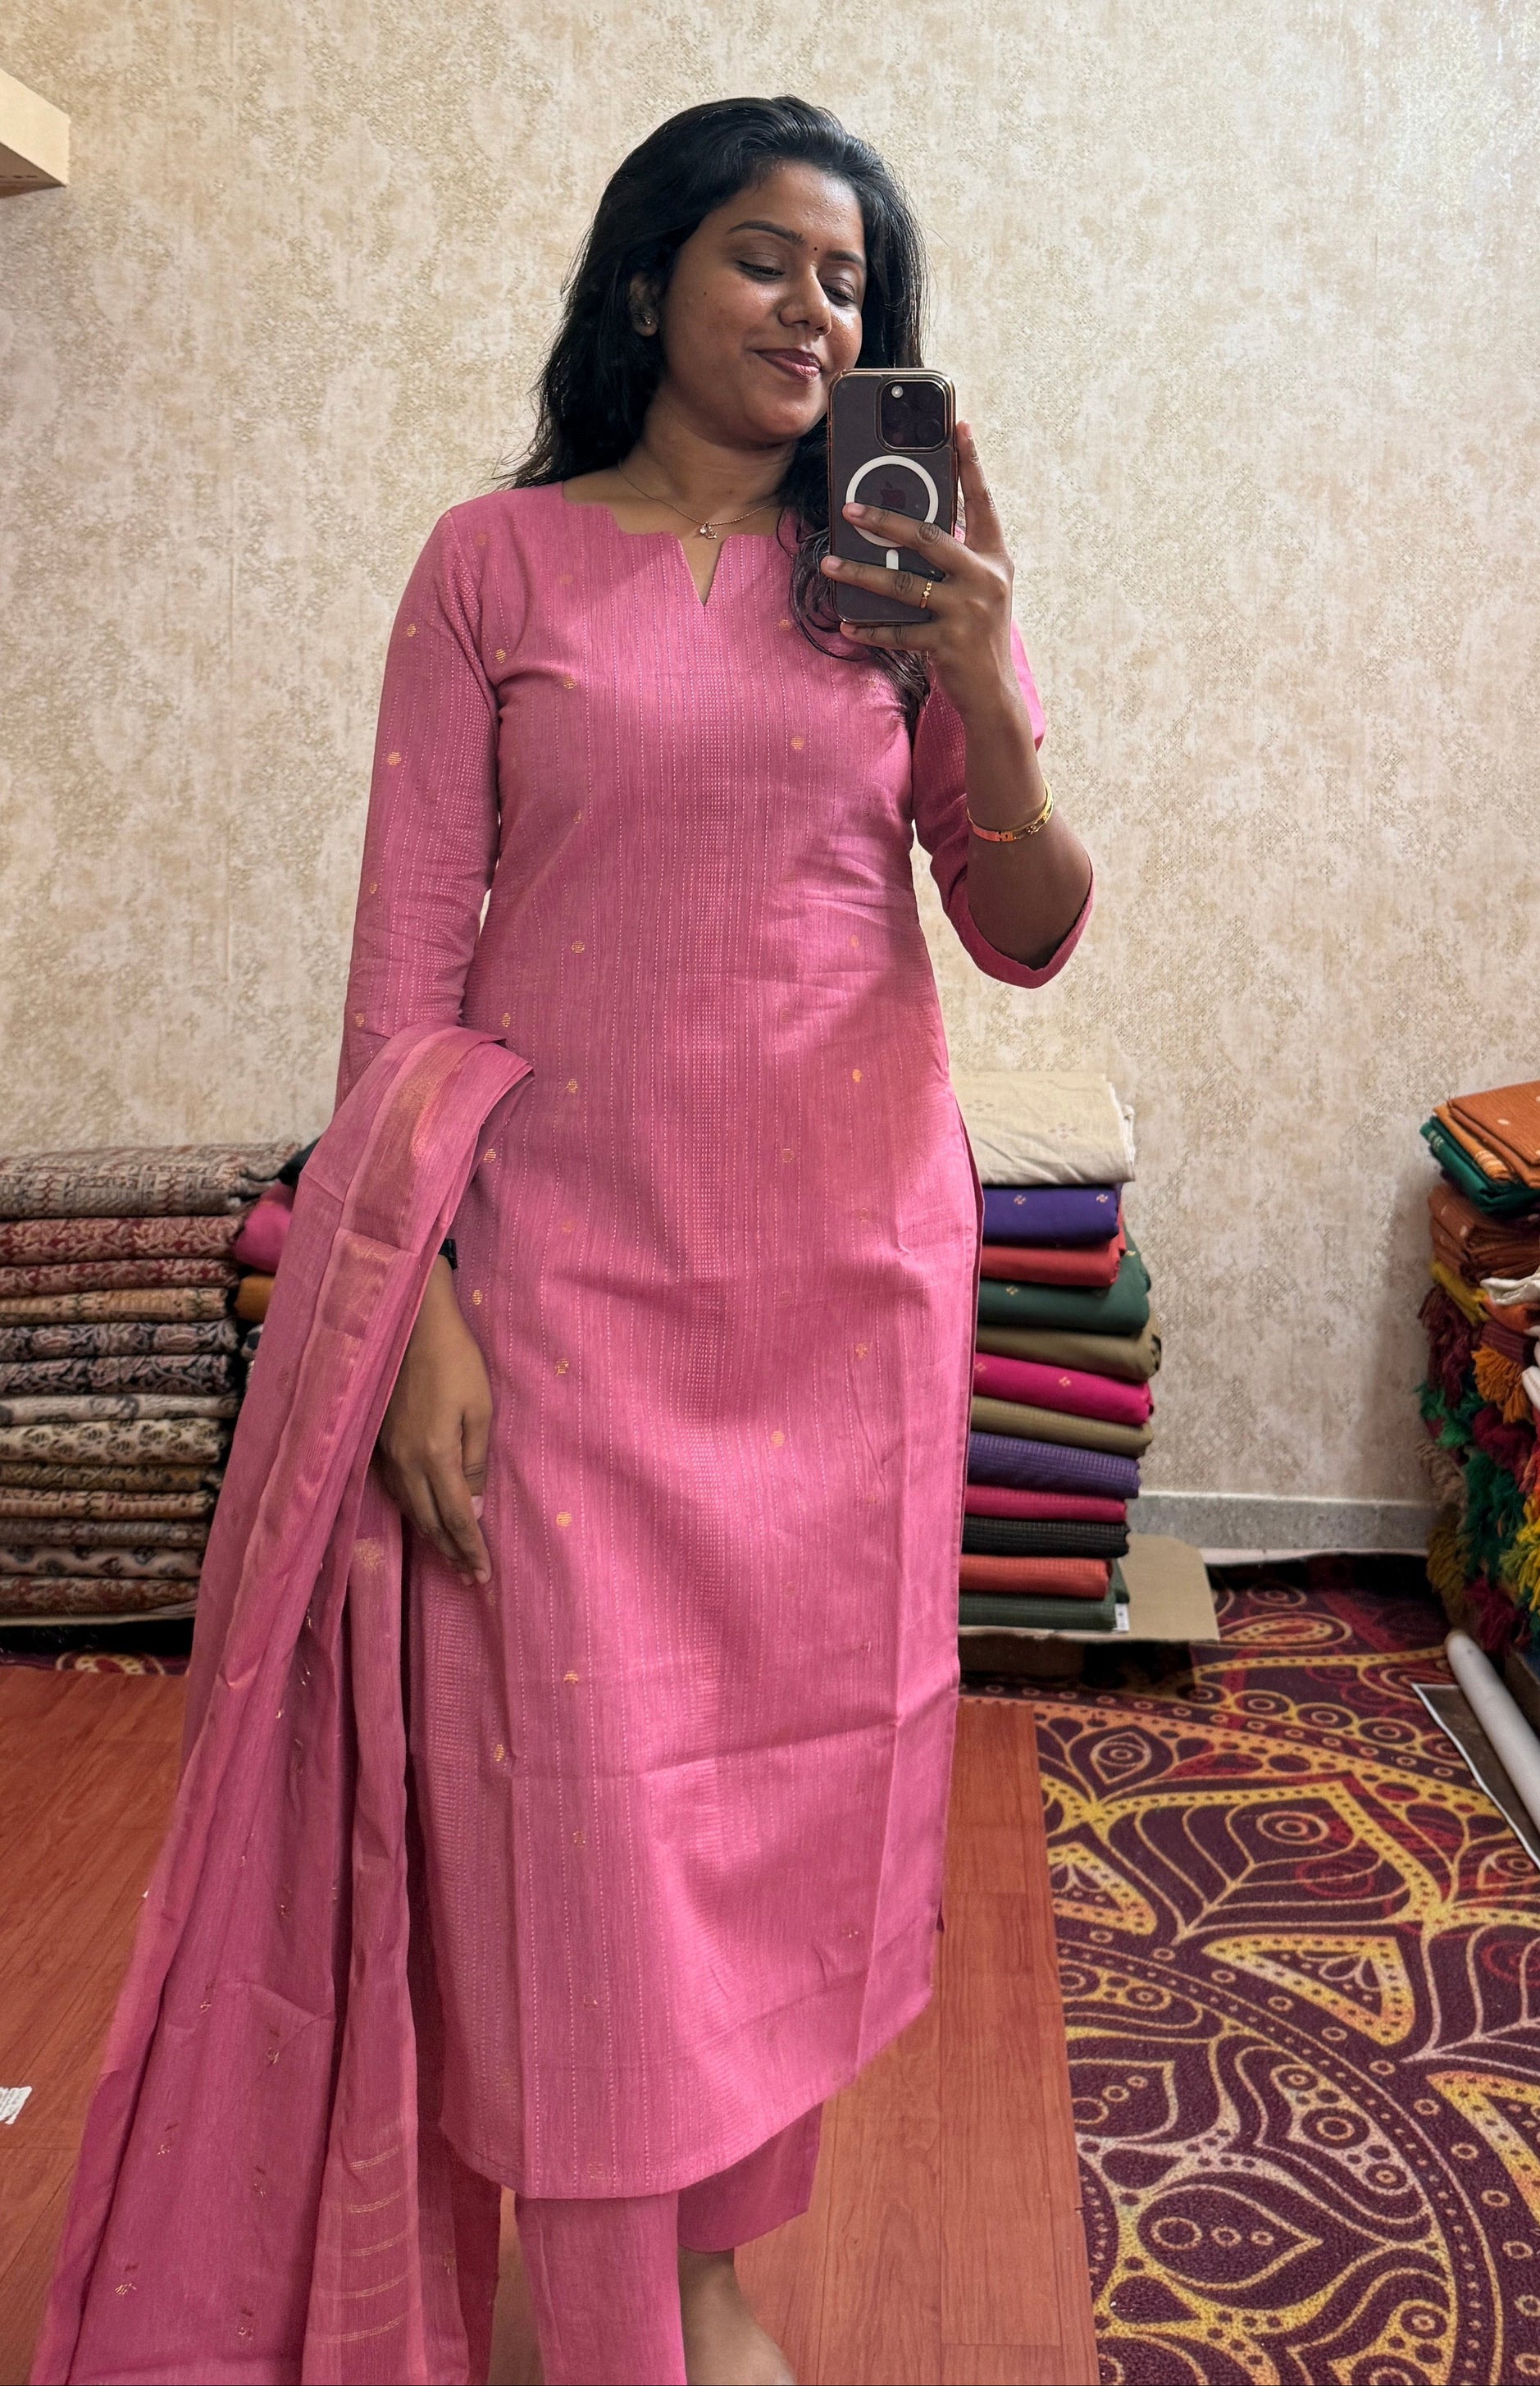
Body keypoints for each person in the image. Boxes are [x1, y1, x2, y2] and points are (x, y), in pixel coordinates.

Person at [346, 94, 1093, 2386]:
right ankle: (609, 2311)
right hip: (563, 1291)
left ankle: (693, 2268)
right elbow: (402, 973)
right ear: (648, 277)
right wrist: (417, 1307)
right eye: (767, 258)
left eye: (850, 282)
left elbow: (1026, 929)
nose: (813, 311)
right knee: (579, 1816)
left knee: (778, 1809)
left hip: (844, 1297)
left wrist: (982, 683)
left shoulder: (889, 586)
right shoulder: (493, 565)